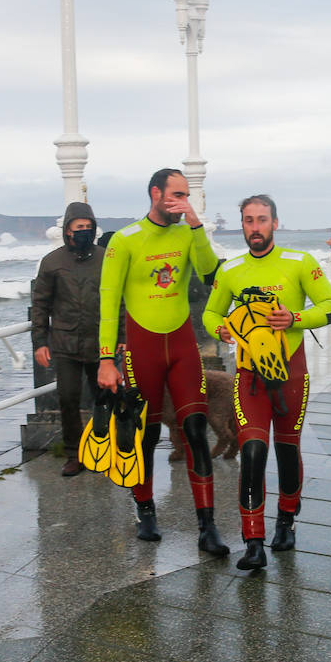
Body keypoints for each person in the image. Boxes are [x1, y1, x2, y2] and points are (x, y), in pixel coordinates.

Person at [204, 194, 331, 570]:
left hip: (291, 375)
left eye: (262, 220)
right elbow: (211, 311)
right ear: (243, 225)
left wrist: (294, 318)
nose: (255, 227)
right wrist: (221, 328)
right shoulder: (231, 269)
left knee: (286, 447)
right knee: (251, 452)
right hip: (249, 378)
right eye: (248, 220)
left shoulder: (300, 262)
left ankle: (286, 520)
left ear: (275, 223)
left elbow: (330, 307)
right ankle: (253, 541)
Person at [98, 168, 228, 553]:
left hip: (183, 346)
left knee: (196, 431)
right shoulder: (125, 241)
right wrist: (107, 358)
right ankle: (145, 510)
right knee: (147, 434)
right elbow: (107, 305)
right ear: (155, 193)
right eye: (176, 194)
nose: (181, 201)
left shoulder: (187, 232)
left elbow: (209, 275)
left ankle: (208, 527)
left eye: (186, 195)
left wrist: (196, 224)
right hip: (143, 350)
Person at [31, 201, 104, 477]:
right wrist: (40, 342)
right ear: (68, 231)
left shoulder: (106, 258)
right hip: (65, 343)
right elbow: (40, 305)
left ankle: (102, 450)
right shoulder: (52, 262)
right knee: (69, 398)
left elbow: (119, 301)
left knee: (103, 399)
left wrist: (122, 337)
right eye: (78, 228)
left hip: (101, 343)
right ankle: (74, 454)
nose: (83, 232)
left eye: (88, 227)